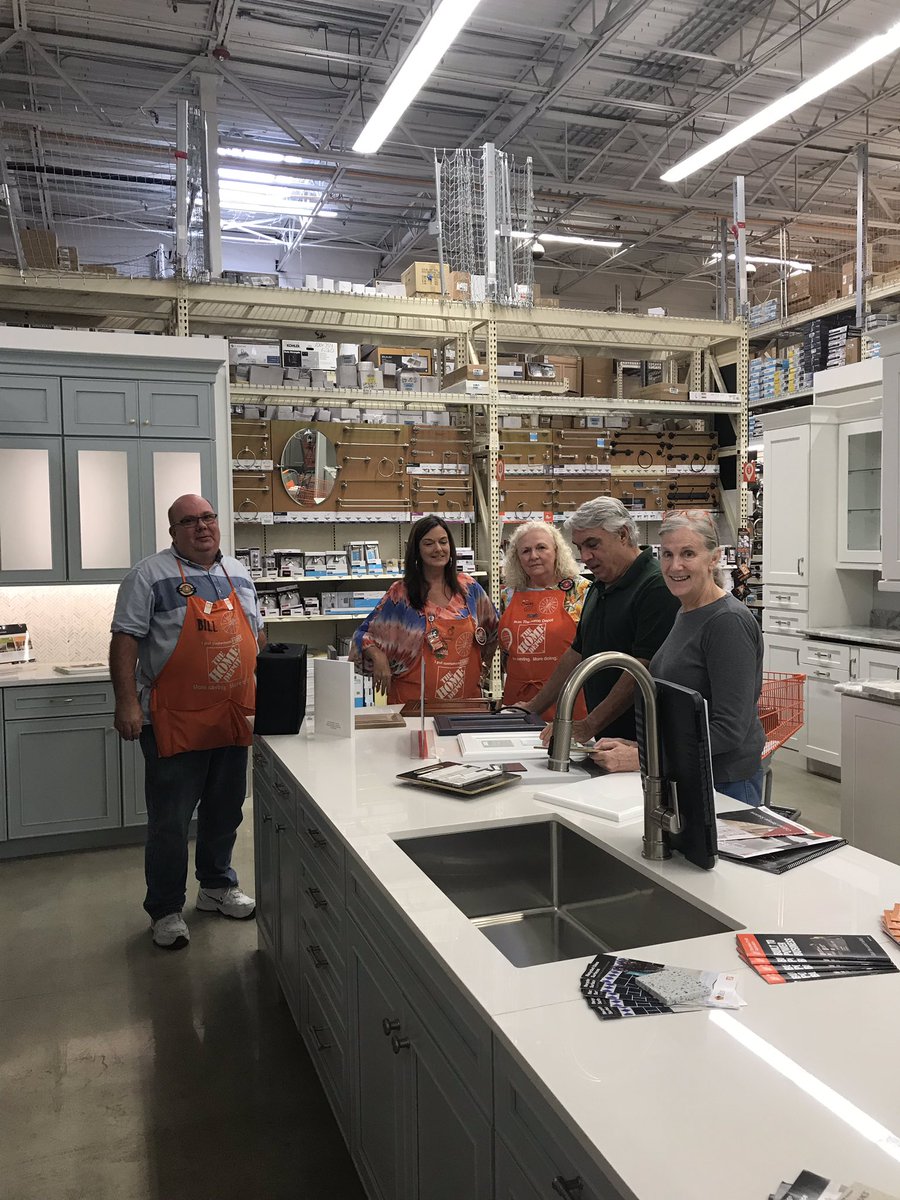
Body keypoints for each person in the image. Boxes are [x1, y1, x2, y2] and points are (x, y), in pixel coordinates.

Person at [110, 495, 265, 951]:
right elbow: (125, 640)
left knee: (226, 811)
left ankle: (217, 887)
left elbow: (255, 635)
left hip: (232, 716)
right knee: (171, 822)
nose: (202, 528)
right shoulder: (148, 575)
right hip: (171, 719)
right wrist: (126, 703)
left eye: (209, 518)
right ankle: (165, 908)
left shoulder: (237, 572)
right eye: (189, 521)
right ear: (173, 531)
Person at [591, 510, 766, 804]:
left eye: (688, 553)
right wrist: (641, 746)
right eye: (667, 555)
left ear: (713, 558)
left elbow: (728, 730)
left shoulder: (727, 622)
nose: (675, 566)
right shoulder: (686, 611)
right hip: (690, 773)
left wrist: (643, 757)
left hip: (724, 783)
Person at [513, 496, 679, 745]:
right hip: (604, 739)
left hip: (641, 744)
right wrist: (532, 707)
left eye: (593, 544)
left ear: (623, 535)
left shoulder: (655, 586)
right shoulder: (600, 584)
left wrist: (588, 725)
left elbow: (641, 667)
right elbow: (577, 652)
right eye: (580, 547)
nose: (586, 556)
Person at [350, 515, 498, 704]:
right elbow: (362, 635)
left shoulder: (469, 588)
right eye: (428, 543)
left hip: (465, 705)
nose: (438, 549)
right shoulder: (401, 594)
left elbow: (494, 630)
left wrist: (482, 667)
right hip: (411, 706)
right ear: (417, 551)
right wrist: (378, 655)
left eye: (443, 542)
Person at [498, 520, 591, 718]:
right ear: (517, 558)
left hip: (568, 698)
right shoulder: (509, 595)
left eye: (541, 547)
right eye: (525, 551)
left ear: (557, 551)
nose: (534, 556)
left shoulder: (582, 591)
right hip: (518, 700)